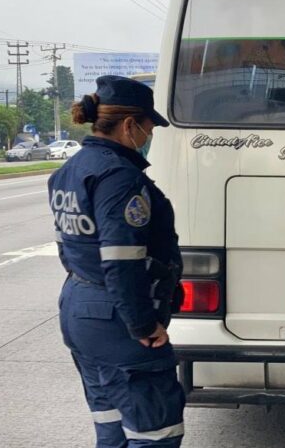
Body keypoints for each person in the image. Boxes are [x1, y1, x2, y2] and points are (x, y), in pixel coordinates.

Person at [49, 75, 186, 447]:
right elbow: (122, 258)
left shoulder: (69, 171)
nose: (149, 135)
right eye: (149, 126)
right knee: (155, 433)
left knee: (111, 427)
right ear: (130, 125)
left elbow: (69, 248)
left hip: (80, 309)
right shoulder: (120, 177)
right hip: (119, 321)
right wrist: (143, 324)